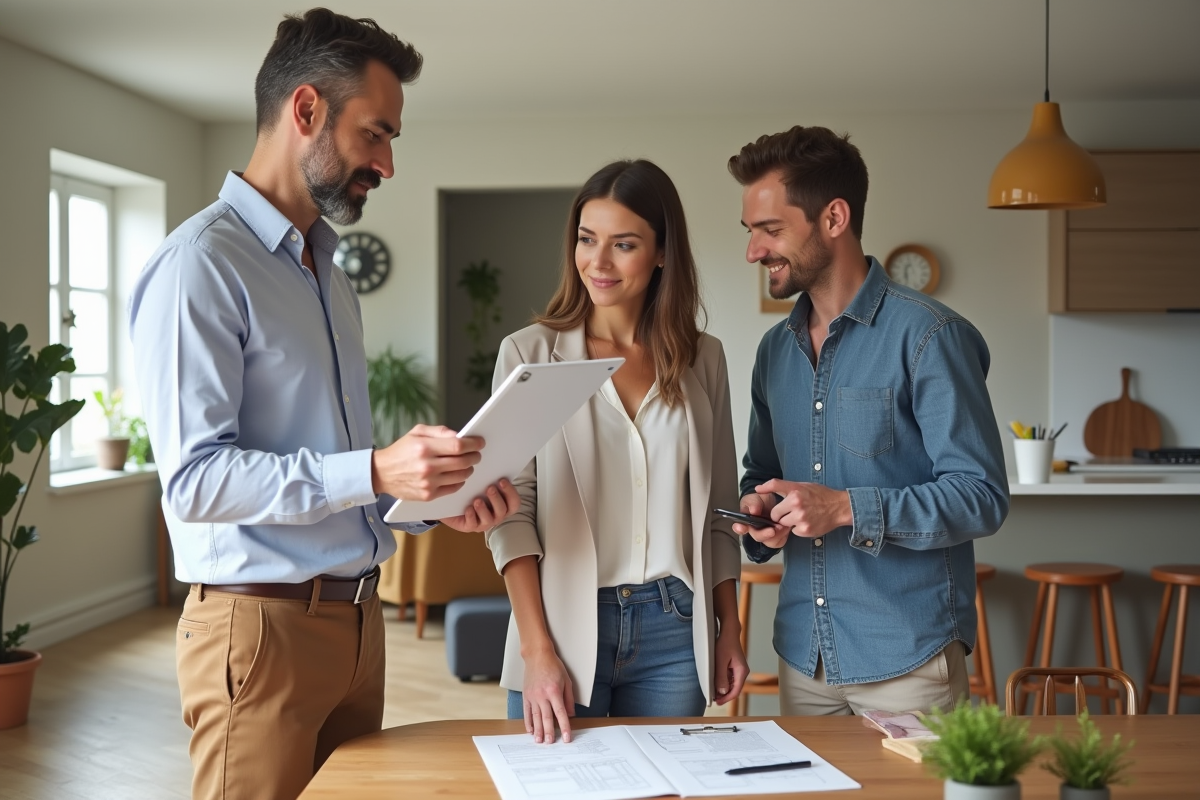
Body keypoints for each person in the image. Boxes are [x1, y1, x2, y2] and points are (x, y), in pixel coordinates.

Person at [129, 10, 518, 799]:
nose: (387, 163)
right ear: (306, 110)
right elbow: (197, 482)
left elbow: (327, 468)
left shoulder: (326, 274)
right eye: (376, 135)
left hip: (356, 624)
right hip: (258, 630)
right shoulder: (201, 266)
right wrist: (376, 464)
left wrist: (426, 498)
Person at [726, 126, 1009, 716]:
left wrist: (844, 506)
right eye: (751, 232)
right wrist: (761, 515)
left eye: (771, 230)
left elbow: (980, 496)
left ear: (834, 217)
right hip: (806, 656)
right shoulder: (773, 353)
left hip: (908, 655)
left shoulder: (931, 336)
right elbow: (762, 474)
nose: (754, 251)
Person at [478, 159, 748, 743]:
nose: (597, 263)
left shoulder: (706, 359)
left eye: (622, 244)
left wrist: (728, 627)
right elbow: (510, 512)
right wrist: (536, 648)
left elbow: (720, 510)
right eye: (586, 239)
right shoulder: (529, 354)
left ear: (660, 254)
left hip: (678, 629)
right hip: (563, 622)